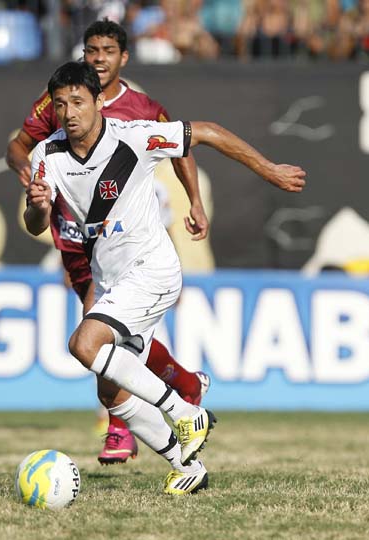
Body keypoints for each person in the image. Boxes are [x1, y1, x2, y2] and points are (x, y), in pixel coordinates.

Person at [24, 61, 306, 494]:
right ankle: (186, 466)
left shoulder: (135, 137)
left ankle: (184, 410)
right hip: (111, 279)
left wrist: (269, 170)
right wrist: (39, 206)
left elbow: (207, 132)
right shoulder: (46, 155)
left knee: (84, 344)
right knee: (110, 393)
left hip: (153, 269)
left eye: (78, 101)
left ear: (99, 101)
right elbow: (35, 225)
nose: (69, 112)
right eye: (60, 104)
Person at [7, 19, 211, 467]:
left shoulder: (141, 112)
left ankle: (153, 417)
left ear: (123, 59)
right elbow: (20, 148)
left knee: (93, 343)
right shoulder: (57, 105)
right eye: (91, 50)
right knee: (106, 351)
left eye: (108, 50)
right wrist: (34, 188)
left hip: (129, 244)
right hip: (77, 240)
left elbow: (186, 144)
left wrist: (194, 202)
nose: (99, 58)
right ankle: (183, 443)